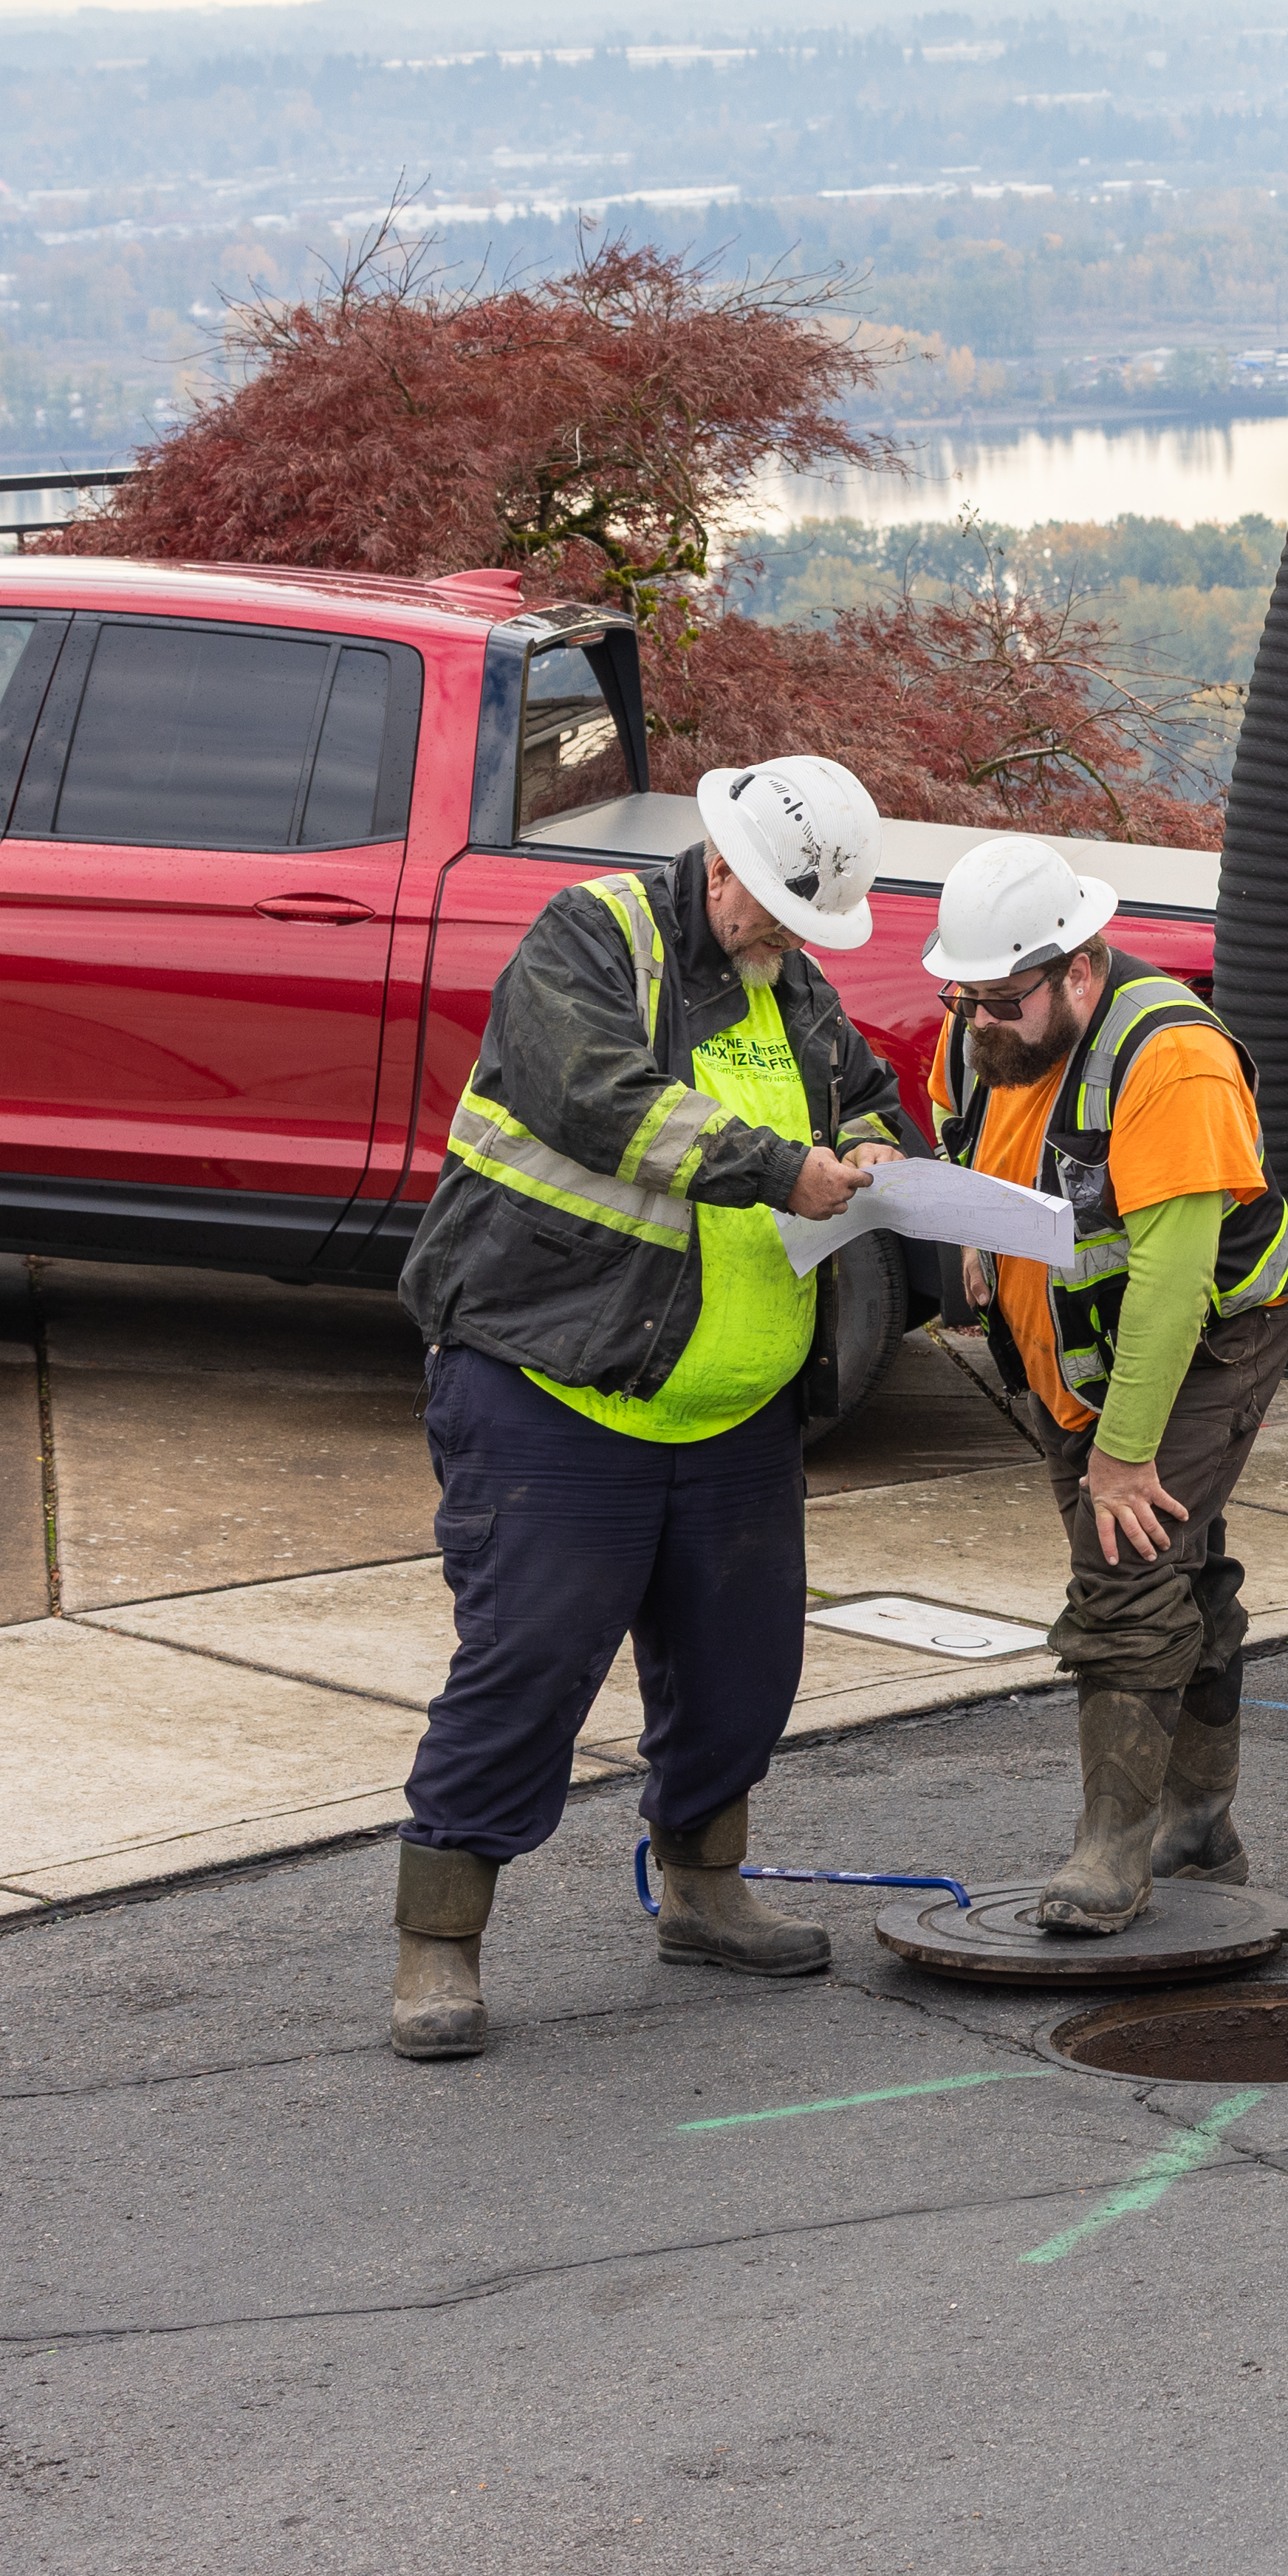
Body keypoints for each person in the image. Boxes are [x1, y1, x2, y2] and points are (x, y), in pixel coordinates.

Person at [380, 755, 911, 2061]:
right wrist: (783, 1171)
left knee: (742, 1674)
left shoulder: (791, 987)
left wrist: (885, 1148)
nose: (789, 942)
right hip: (556, 1389)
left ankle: (703, 1892)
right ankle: (438, 1948)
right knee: (526, 1671)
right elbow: (610, 1107)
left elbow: (865, 1096)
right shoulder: (590, 941)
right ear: (720, 864)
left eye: (807, 925)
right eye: (777, 912)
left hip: (735, 1415)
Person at [917, 835, 1288, 1933]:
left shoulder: (1170, 1058)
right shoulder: (986, 1033)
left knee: (1124, 1566)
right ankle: (1199, 1824)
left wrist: (1124, 1454)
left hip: (1210, 1341)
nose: (980, 1020)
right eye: (966, 997)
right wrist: (974, 1241)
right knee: (1171, 1563)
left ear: (1077, 968)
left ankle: (1113, 1854)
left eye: (1003, 1000)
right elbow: (975, 1144)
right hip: (1073, 1355)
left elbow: (1174, 1284)